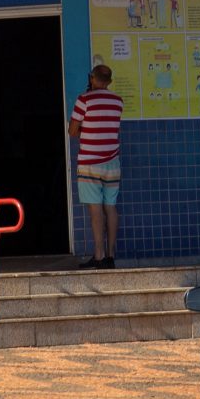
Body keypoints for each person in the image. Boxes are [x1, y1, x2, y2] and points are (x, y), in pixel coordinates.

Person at [69, 62, 125, 267]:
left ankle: (99, 256)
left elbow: (72, 131)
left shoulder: (83, 100)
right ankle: (111, 256)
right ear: (109, 81)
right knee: (110, 207)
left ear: (92, 78)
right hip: (112, 163)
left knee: (95, 210)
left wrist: (86, 130)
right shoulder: (118, 101)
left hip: (90, 163)